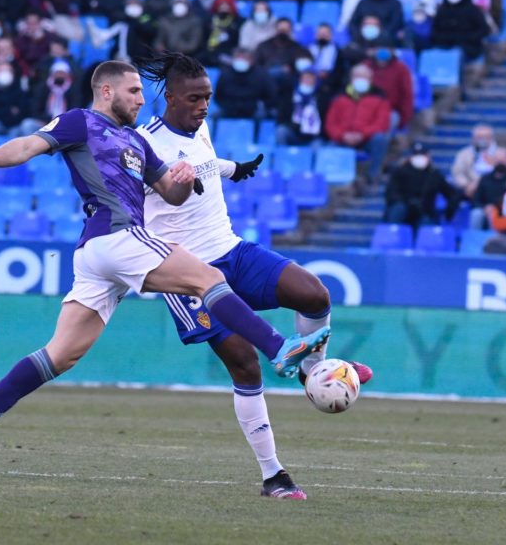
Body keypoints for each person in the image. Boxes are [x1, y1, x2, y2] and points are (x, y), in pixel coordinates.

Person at [0, 60, 331, 480]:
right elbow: (27, 145)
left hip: (99, 257)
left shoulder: (136, 142)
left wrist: (184, 179)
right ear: (107, 91)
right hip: (115, 236)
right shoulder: (81, 122)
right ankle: (280, 349)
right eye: (133, 91)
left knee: (62, 355)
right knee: (209, 279)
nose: (139, 99)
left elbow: (172, 192)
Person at [135, 52, 373, 499]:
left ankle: (312, 369)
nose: (204, 105)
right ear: (169, 97)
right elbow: (140, 194)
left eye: (207, 97)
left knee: (314, 294)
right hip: (187, 273)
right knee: (245, 364)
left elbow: (203, 161)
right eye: (194, 98)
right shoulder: (145, 145)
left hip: (232, 250)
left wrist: (233, 168)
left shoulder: (199, 127)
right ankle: (273, 476)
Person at [324, 64, 391, 181]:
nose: (360, 80)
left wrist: (362, 134)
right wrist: (342, 135)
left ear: (370, 80)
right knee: (328, 147)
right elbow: (330, 124)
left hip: (366, 139)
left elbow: (382, 123)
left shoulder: (379, 97)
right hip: (343, 139)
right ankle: (333, 180)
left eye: (364, 77)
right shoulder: (340, 97)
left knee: (380, 139)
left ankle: (373, 176)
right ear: (351, 79)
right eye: (357, 77)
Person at [383, 142, 460, 230]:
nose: (419, 158)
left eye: (422, 155)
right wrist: (406, 202)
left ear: (428, 156)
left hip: (424, 211)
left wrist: (448, 211)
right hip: (404, 207)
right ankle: (391, 236)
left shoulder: (434, 174)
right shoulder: (399, 172)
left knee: (426, 224)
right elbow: (391, 192)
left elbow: (451, 193)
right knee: (398, 210)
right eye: (416, 155)